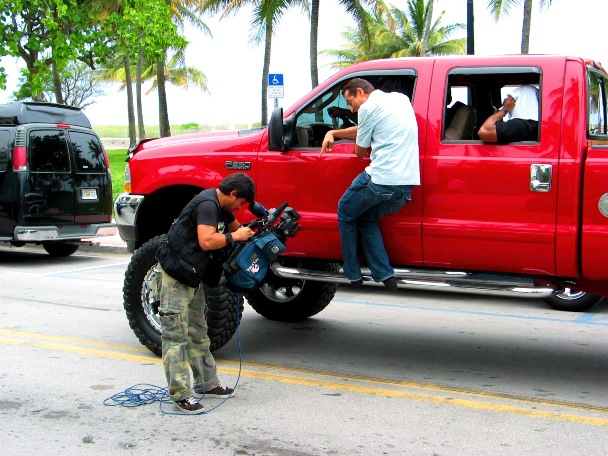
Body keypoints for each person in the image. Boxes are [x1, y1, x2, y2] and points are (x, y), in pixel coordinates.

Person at [155, 172, 256, 413]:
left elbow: (238, 230)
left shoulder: (222, 207)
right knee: (176, 336)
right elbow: (207, 241)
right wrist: (234, 236)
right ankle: (181, 394)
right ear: (233, 193)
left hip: (193, 276)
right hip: (175, 276)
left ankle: (208, 383)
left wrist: (251, 231)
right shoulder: (208, 205)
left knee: (198, 331)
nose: (240, 208)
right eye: (240, 203)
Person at [319, 78, 420, 291]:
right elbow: (374, 127)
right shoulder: (400, 100)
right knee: (366, 218)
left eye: (350, 102)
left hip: (380, 179)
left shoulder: (368, 109)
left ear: (360, 92)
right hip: (406, 184)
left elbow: (359, 152)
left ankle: (352, 273)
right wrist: (334, 133)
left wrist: (334, 134)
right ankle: (385, 275)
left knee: (345, 211)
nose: (351, 108)